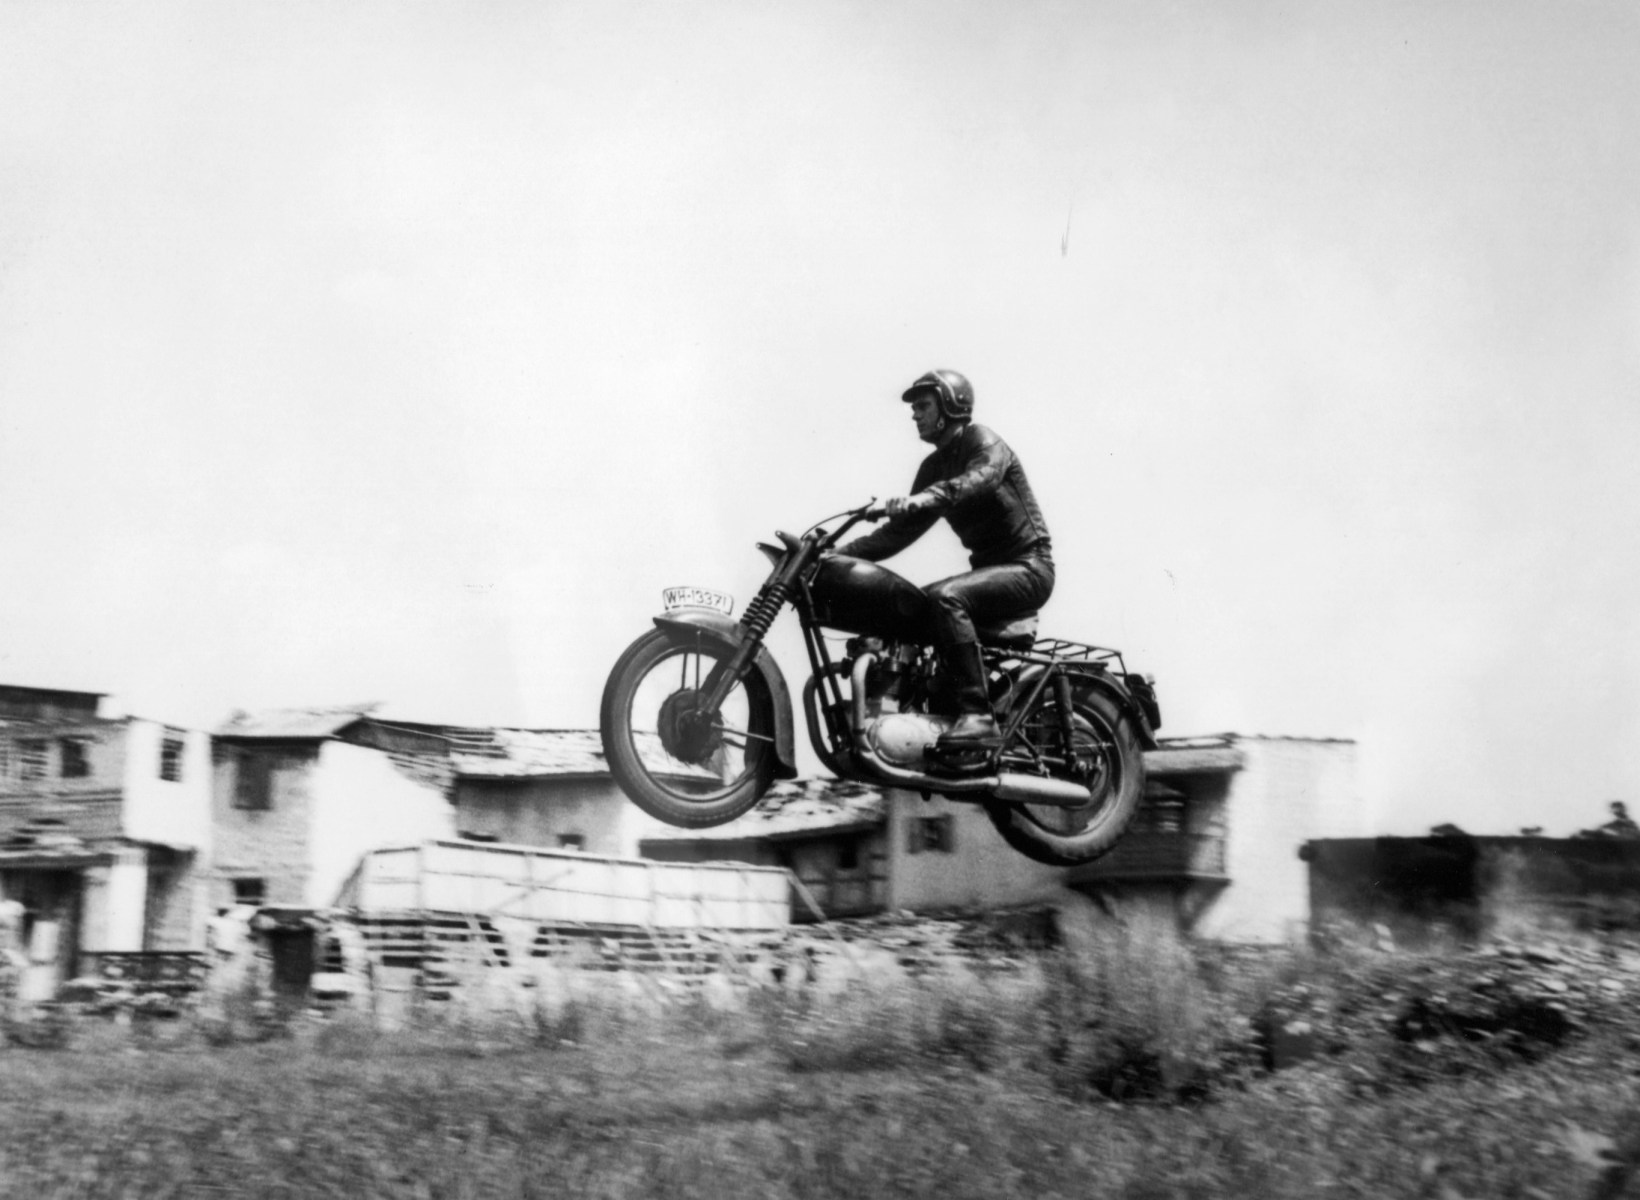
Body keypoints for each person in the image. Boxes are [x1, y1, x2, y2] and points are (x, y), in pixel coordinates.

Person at [837, 369, 1054, 750]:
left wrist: (924, 499)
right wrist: (835, 556)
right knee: (906, 607)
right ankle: (908, 709)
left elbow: (979, 479)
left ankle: (978, 716)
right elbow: (897, 534)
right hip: (990, 574)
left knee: (945, 598)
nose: (914, 415)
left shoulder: (984, 442)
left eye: (923, 406)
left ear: (950, 405)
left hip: (1029, 568)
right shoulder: (933, 467)